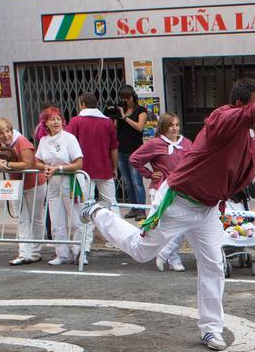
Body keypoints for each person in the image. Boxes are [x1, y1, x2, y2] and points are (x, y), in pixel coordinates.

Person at [82, 41, 255, 350]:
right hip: (179, 200)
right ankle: (99, 213)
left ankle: (210, 329)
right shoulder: (223, 119)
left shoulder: (252, 133)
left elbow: (254, 166)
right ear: (241, 104)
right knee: (142, 251)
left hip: (209, 208)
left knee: (213, 264)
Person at [130, 113, 190, 272]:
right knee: (167, 226)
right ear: (163, 127)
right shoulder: (155, 143)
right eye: (171, 125)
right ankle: (173, 258)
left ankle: (166, 253)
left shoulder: (187, 143)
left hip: (183, 191)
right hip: (161, 190)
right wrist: (149, 174)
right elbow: (134, 159)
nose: (175, 128)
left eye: (177, 124)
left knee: (182, 224)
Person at [0, 117, 42, 266]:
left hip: (34, 183)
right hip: (15, 184)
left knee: (35, 217)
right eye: (1, 133)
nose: (6, 135)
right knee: (22, 218)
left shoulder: (22, 141)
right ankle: (23, 253)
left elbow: (28, 164)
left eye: (8, 131)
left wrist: (8, 164)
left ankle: (35, 252)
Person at [34, 107, 86, 267]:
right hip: (54, 183)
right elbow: (37, 161)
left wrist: (59, 168)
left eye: (58, 118)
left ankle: (80, 252)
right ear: (45, 123)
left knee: (77, 220)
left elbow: (79, 163)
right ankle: (62, 253)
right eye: (52, 119)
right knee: (56, 220)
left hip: (70, 183)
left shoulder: (69, 138)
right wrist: (45, 168)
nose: (56, 122)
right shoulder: (43, 140)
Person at [67, 92, 119, 211]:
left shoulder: (75, 122)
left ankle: (88, 229)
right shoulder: (108, 122)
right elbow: (114, 148)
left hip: (83, 170)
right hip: (105, 169)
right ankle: (115, 228)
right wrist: (114, 167)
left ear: (82, 104)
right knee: (111, 203)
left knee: (87, 204)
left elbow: (68, 145)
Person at [114, 84, 149, 212]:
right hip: (121, 150)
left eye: (127, 97)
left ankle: (141, 210)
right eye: (123, 98)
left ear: (133, 97)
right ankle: (133, 209)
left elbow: (140, 127)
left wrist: (125, 117)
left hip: (135, 151)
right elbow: (115, 129)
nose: (126, 101)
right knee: (127, 182)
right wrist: (116, 116)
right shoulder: (121, 111)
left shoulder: (141, 111)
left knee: (136, 182)